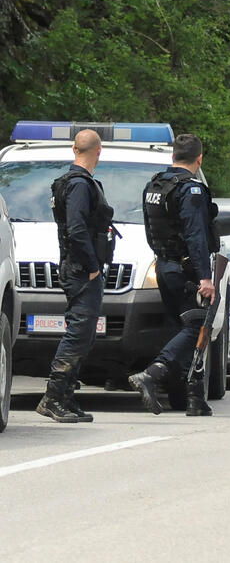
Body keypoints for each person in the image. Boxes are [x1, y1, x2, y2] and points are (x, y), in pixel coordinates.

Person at [129, 134, 219, 417]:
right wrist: (205, 277)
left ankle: (194, 398)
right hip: (187, 270)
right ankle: (152, 375)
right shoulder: (191, 190)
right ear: (199, 158)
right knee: (196, 327)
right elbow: (195, 235)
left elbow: (149, 230)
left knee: (184, 329)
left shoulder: (154, 185)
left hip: (165, 266)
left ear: (173, 156)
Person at [36, 129, 115, 423]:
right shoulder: (80, 185)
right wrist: (93, 264)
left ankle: (66, 397)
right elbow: (77, 228)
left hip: (76, 267)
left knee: (83, 334)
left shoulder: (71, 182)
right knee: (78, 334)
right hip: (81, 269)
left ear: (74, 149)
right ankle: (53, 398)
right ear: (99, 151)